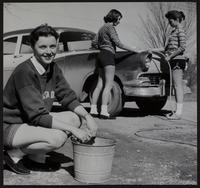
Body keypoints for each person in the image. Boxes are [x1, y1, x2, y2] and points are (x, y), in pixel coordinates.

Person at [3, 24, 98, 175]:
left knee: (76, 118)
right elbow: (38, 116)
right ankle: (13, 154)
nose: (49, 52)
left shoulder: (53, 68)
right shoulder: (25, 71)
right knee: (57, 138)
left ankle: (35, 159)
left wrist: (88, 116)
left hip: (28, 122)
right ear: (33, 48)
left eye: (53, 46)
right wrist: (74, 131)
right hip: (9, 126)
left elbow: (68, 97)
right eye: (43, 47)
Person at [90, 9, 139, 119]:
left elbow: (93, 42)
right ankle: (103, 111)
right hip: (108, 55)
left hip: (100, 56)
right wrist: (134, 50)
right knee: (108, 85)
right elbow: (118, 43)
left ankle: (93, 110)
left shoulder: (101, 28)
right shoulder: (110, 27)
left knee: (99, 85)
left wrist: (102, 46)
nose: (119, 21)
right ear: (114, 17)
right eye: (119, 19)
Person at [164, 10, 187, 120]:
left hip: (178, 60)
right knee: (175, 86)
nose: (169, 23)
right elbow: (166, 49)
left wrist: (170, 56)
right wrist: (150, 50)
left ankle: (178, 113)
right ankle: (177, 112)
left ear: (177, 20)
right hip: (173, 60)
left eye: (171, 20)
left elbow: (182, 47)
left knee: (178, 86)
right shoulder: (173, 32)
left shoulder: (180, 31)